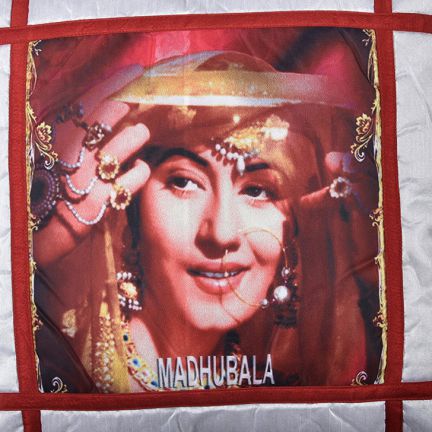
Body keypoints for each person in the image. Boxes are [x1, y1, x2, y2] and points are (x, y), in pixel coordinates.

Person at [32, 48, 381, 393]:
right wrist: (35, 251)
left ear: (293, 226)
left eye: (257, 190)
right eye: (184, 183)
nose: (222, 233)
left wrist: (374, 277)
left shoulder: (284, 383)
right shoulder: (60, 356)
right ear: (133, 209)